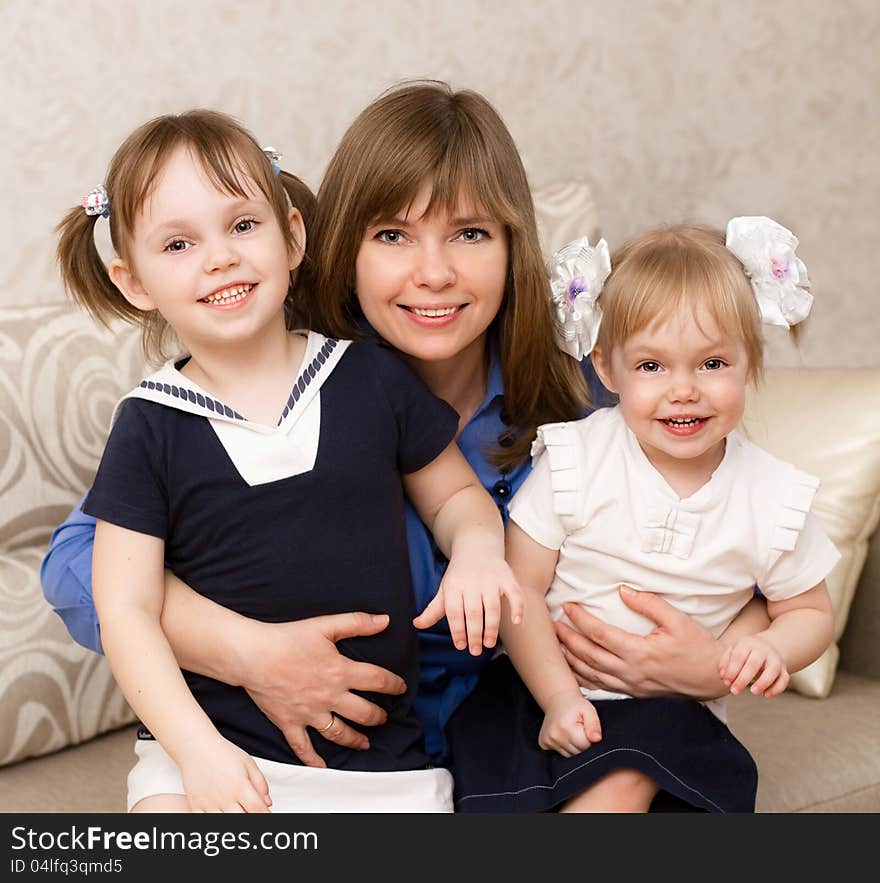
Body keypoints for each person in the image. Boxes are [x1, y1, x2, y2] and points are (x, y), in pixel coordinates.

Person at [43, 81, 772, 782]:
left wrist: (712, 662)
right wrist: (249, 652)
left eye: (470, 233)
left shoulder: (592, 400)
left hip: (523, 732)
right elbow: (77, 567)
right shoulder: (281, 383)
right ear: (336, 246)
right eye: (393, 234)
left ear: (512, 248)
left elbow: (747, 535)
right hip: (321, 752)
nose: (433, 273)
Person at [54, 108, 522, 813]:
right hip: (208, 758)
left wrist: (482, 551)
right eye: (178, 243)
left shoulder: (371, 379)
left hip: (383, 769)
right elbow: (122, 607)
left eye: (243, 226)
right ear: (134, 282)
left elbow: (456, 498)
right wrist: (197, 750)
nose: (220, 257)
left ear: (292, 235)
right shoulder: (150, 425)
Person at [446, 221, 839, 813]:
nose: (683, 391)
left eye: (712, 364)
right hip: (542, 689)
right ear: (607, 369)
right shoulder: (577, 458)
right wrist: (557, 697)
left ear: (751, 363)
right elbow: (519, 586)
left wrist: (775, 651)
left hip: (671, 710)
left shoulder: (772, 494)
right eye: (653, 366)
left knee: (628, 773)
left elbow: (808, 612)